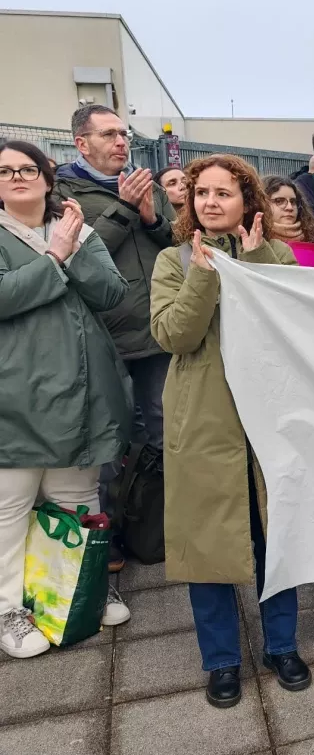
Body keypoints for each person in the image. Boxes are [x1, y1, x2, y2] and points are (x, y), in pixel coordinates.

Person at [149, 154, 309, 708]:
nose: (210, 202)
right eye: (202, 193)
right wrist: (202, 274)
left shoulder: (278, 254)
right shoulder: (173, 260)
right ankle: (221, 661)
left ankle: (281, 645)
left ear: (248, 202)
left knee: (276, 538)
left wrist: (258, 258)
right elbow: (174, 335)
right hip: (204, 423)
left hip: (268, 420)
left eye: (224, 193)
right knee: (208, 545)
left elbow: (293, 321)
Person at [0, 141, 134, 658]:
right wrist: (54, 254)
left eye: (27, 168)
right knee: (11, 507)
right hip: (16, 394)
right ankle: (11, 608)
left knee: (76, 498)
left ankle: (80, 592)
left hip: (82, 391)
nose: (17, 177)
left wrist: (73, 247)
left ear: (46, 176)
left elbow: (111, 296)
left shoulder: (78, 231)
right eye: (5, 171)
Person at [56, 105, 175, 571]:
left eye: (124, 133)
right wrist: (125, 209)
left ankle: (155, 525)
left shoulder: (149, 186)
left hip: (157, 331)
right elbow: (80, 254)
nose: (122, 142)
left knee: (163, 431)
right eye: (109, 134)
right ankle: (108, 536)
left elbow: (174, 245)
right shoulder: (64, 191)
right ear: (82, 143)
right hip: (103, 335)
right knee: (110, 438)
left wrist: (150, 217)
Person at [263, 176, 314, 265]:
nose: (289, 207)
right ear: (261, 203)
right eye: (279, 201)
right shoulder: (253, 241)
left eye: (293, 202)